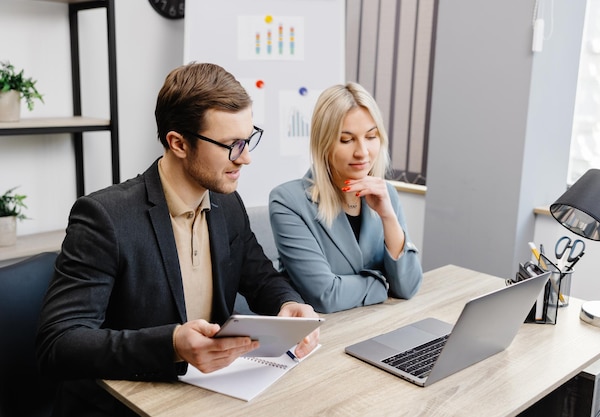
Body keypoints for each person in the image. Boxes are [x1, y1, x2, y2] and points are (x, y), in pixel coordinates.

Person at [36, 62, 319, 416]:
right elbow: (58, 343)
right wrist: (171, 344)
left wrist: (287, 303)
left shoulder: (227, 202)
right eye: (232, 145)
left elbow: (261, 276)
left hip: (208, 398)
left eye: (248, 139)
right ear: (178, 143)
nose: (245, 158)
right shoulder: (104, 217)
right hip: (126, 405)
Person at [269, 82, 423, 314]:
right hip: (323, 336)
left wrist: (388, 216)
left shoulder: (385, 193)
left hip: (377, 325)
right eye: (346, 140)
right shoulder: (288, 202)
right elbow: (325, 296)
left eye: (371, 137)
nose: (362, 152)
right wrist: (384, 282)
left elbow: (409, 286)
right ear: (324, 144)